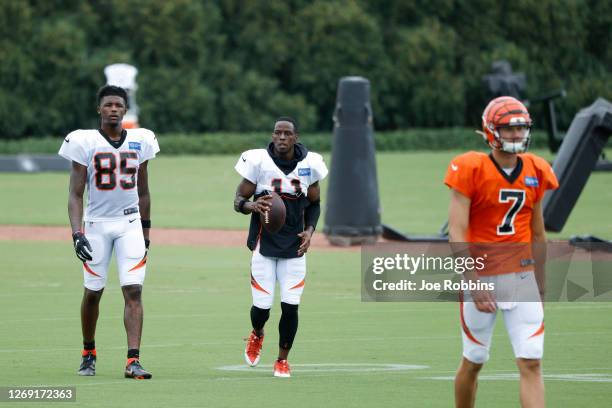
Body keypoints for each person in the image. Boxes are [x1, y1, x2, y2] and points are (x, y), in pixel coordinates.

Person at [444, 96, 559, 407]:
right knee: (474, 359)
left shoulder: (536, 168)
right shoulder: (470, 167)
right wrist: (473, 280)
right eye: (509, 129)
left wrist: (542, 281)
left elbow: (538, 233)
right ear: (491, 131)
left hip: (521, 277)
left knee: (532, 361)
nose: (516, 135)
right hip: (481, 274)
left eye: (521, 128)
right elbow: (456, 231)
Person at [58, 85, 159, 379]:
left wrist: (146, 231)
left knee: (134, 290)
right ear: (99, 109)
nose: (113, 109)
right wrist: (77, 234)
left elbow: (144, 191)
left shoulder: (141, 140)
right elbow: (76, 194)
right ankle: (88, 352)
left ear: (125, 110)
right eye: (108, 105)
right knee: (93, 292)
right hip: (96, 225)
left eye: (118, 105)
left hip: (129, 225)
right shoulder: (84, 141)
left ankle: (133, 360)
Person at [233, 117, 328, 378]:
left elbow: (315, 203)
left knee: (290, 305)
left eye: (287, 133)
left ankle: (282, 360)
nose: (282, 138)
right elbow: (238, 199)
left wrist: (309, 231)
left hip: (295, 246)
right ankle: (257, 333)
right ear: (272, 135)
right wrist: (251, 206)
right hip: (264, 244)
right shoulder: (258, 161)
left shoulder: (310, 165)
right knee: (261, 309)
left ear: (296, 137)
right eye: (277, 133)